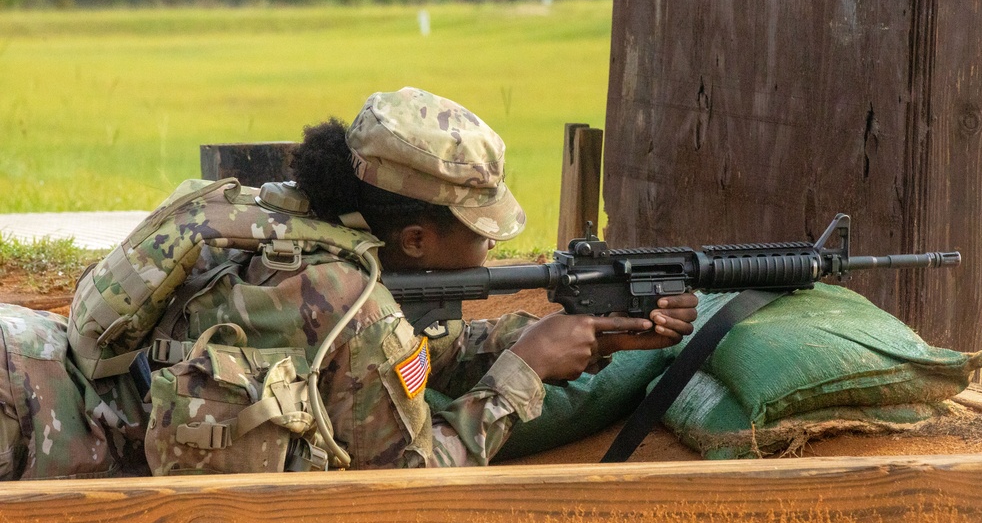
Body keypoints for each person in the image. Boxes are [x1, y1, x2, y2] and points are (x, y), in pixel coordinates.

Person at [154, 87, 699, 469]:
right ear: (415, 240)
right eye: (481, 229)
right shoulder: (355, 308)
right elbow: (412, 477)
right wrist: (524, 371)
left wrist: (588, 334)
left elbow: (411, 353)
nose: (491, 243)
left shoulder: (289, 223)